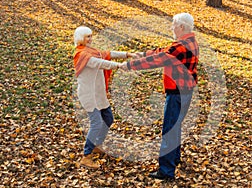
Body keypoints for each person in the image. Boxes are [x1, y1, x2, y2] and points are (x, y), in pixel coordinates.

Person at [120, 13, 199, 180]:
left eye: (173, 25)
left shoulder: (180, 46)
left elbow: (159, 59)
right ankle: (174, 158)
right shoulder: (190, 42)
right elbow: (162, 51)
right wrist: (142, 54)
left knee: (170, 129)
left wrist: (130, 65)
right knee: (175, 126)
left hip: (177, 93)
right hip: (186, 91)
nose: (172, 28)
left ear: (182, 27)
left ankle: (166, 171)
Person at [73, 26, 135, 169]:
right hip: (89, 95)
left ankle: (96, 145)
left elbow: (107, 54)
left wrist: (127, 54)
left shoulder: (92, 51)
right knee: (96, 123)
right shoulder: (81, 55)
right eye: (87, 36)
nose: (90, 39)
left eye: (90, 36)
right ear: (80, 38)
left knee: (108, 118)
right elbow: (100, 63)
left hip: (99, 94)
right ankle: (86, 156)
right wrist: (119, 66)